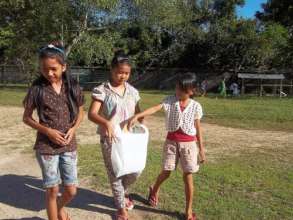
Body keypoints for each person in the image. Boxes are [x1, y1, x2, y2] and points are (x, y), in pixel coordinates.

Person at [128, 73, 206, 220]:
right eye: (176, 87)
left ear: (191, 91)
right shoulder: (170, 100)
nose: (177, 91)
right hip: (171, 143)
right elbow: (155, 108)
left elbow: (198, 129)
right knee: (166, 172)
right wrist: (138, 116)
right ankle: (154, 189)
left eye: (181, 89)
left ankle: (188, 211)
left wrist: (201, 149)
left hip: (189, 145)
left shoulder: (196, 106)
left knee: (188, 176)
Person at [23, 42, 85, 220]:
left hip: (69, 145)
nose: (49, 73)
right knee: (52, 189)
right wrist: (47, 131)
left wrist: (73, 128)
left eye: (53, 69)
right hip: (46, 147)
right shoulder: (37, 88)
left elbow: (81, 112)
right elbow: (26, 118)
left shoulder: (72, 86)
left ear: (63, 67)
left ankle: (58, 209)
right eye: (44, 69)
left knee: (71, 190)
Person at [88, 51, 143, 220]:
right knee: (116, 174)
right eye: (120, 72)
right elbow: (92, 114)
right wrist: (106, 123)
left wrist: (140, 122)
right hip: (110, 139)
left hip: (130, 139)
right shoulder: (102, 90)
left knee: (135, 171)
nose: (123, 76)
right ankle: (121, 208)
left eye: (126, 73)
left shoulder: (133, 91)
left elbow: (138, 113)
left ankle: (120, 194)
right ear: (111, 70)